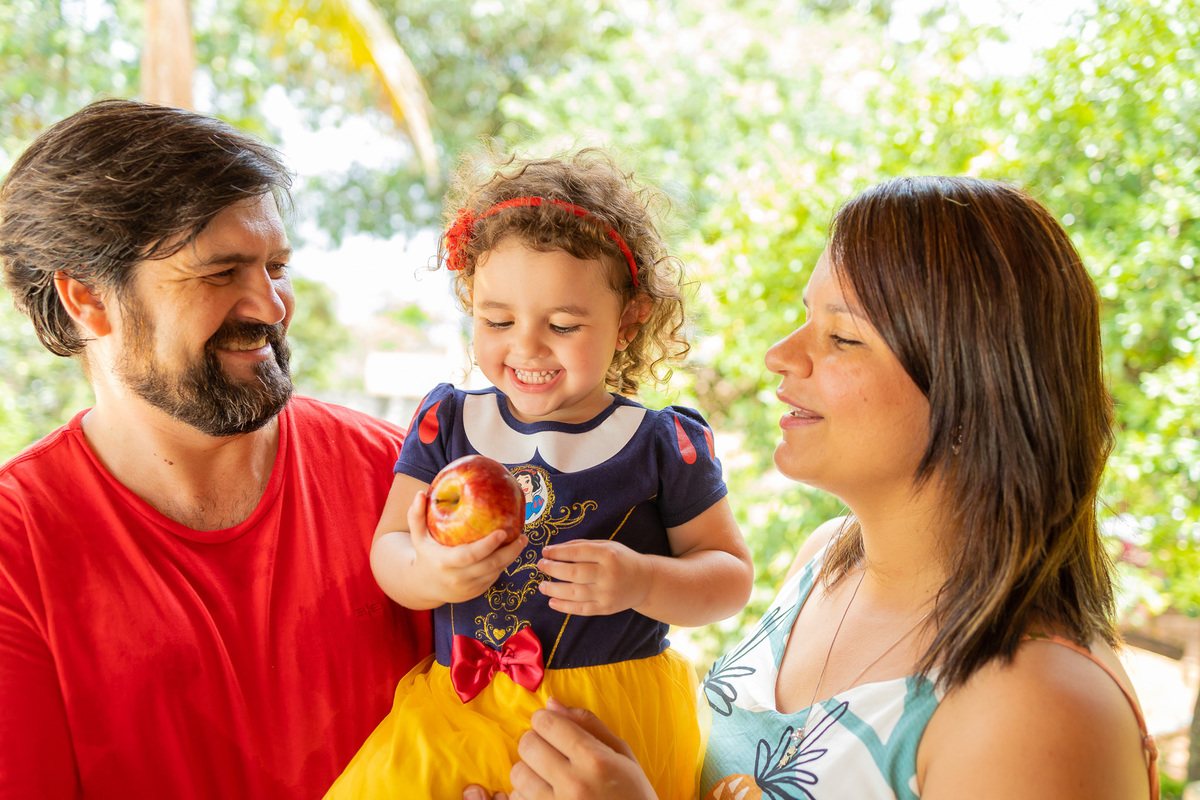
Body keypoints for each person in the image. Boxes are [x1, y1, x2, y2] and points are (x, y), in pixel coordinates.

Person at [468, 176, 1160, 800]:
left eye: (843, 338)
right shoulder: (824, 564)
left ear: (976, 393)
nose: (782, 355)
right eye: (807, 317)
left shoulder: (1042, 708)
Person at [0, 98, 433, 799]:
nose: (271, 306)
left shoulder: (400, 479)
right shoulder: (17, 556)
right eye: (220, 273)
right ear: (88, 299)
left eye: (277, 266)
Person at [326, 148, 754, 799]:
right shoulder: (449, 422)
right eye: (498, 320)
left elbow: (728, 578)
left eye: (561, 324)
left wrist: (642, 579)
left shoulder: (662, 442)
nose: (525, 347)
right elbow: (389, 550)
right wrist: (431, 571)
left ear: (630, 318)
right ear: (471, 302)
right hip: (463, 706)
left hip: (612, 724)